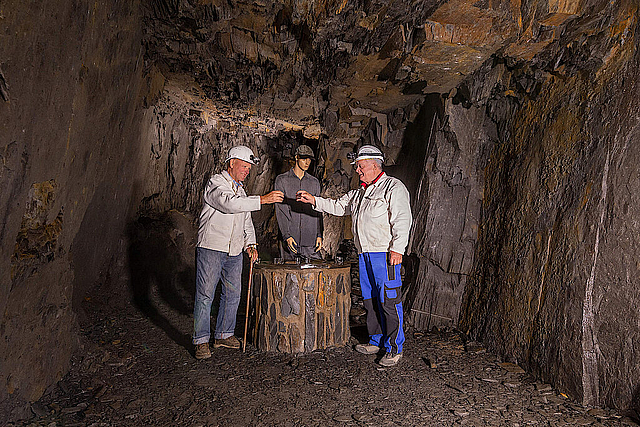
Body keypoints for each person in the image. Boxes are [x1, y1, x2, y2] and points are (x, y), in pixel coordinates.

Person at [296, 145, 412, 367]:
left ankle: (394, 347)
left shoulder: (393, 187)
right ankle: (376, 340)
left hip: (385, 254)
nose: (357, 170)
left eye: (360, 166)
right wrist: (314, 200)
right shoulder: (360, 192)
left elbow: (402, 220)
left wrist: (398, 249)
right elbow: (338, 207)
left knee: (389, 300)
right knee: (370, 300)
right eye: (357, 167)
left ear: (374, 165)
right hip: (364, 253)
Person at [193, 145, 284, 360]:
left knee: (233, 293)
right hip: (212, 248)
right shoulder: (216, 183)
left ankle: (224, 334)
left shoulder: (241, 190)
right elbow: (228, 204)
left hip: (234, 250)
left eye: (249, 168)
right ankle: (201, 340)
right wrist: (262, 199)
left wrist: (250, 244)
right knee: (205, 295)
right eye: (244, 166)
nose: (247, 171)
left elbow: (246, 219)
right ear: (231, 163)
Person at [274, 145, 323, 261]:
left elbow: (317, 210)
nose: (307, 162)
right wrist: (286, 235)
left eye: (309, 159)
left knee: (315, 274)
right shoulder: (282, 180)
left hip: (310, 238)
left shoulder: (314, 182)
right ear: (296, 157)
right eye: (304, 158)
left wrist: (319, 234)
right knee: (289, 275)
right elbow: (281, 210)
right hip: (291, 239)